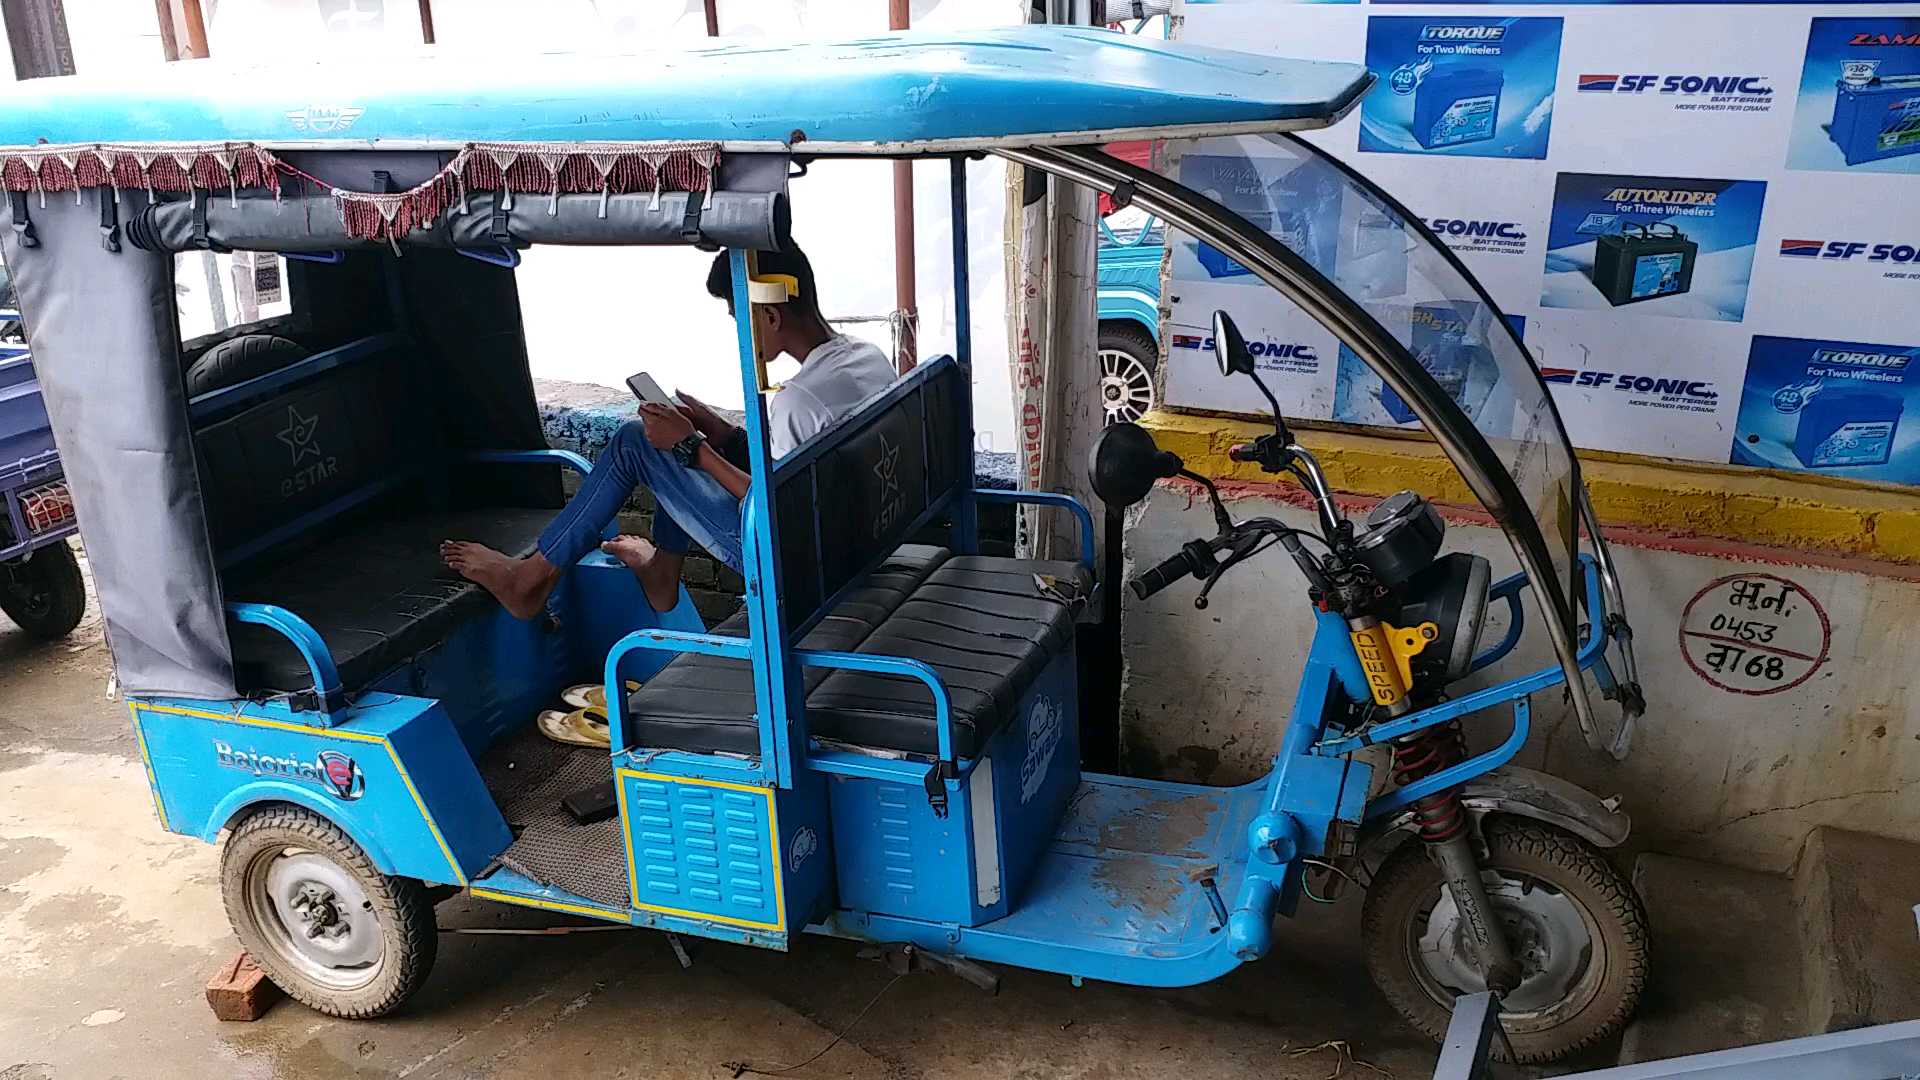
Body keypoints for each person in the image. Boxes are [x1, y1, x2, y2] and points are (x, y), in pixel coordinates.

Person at [441, 244, 896, 617]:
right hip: (855, 535)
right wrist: (722, 435)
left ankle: (531, 579)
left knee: (635, 443)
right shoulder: (865, 356)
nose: (741, 331)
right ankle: (660, 571)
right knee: (668, 445)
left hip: (800, 560)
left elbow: (774, 505)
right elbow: (799, 469)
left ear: (771, 317)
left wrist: (694, 449)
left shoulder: (799, 399)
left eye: (741, 318)